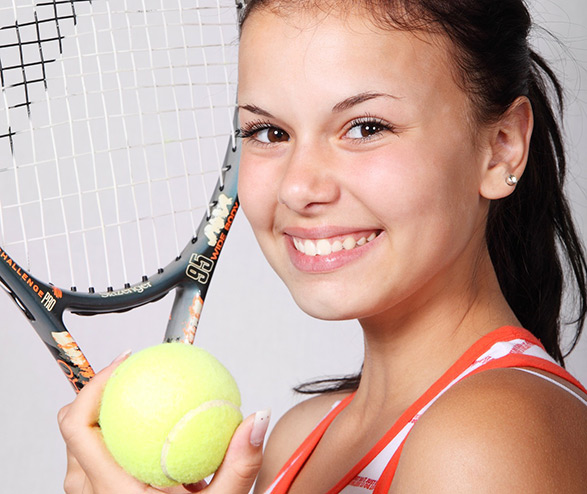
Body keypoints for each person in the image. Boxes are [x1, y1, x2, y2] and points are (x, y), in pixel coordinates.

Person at [58, 0, 587, 492]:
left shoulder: (485, 440)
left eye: (365, 127)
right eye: (268, 132)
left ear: (501, 149)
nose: (298, 187)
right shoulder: (301, 439)